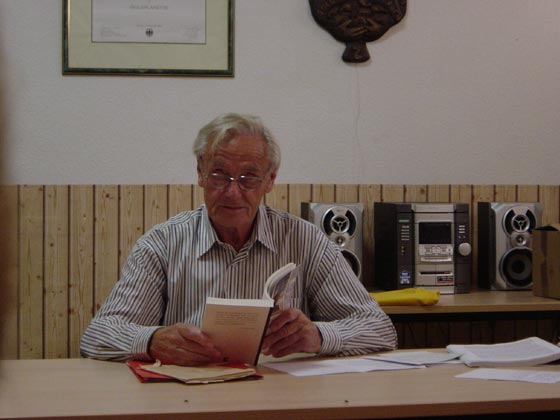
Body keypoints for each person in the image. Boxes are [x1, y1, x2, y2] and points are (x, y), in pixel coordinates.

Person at [80, 113, 397, 365]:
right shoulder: (162, 244)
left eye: (248, 177)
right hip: (188, 403)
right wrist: (151, 341)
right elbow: (98, 336)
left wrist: (317, 335)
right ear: (200, 173)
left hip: (282, 403)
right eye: (219, 175)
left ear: (270, 180)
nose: (232, 191)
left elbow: (379, 329)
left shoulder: (305, 241)